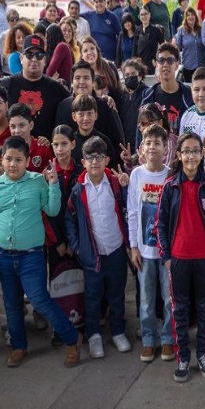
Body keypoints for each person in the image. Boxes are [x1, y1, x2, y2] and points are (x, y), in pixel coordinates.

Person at [0, 136, 82, 368]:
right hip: (3, 256)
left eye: (18, 159)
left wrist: (54, 185)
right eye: (8, 159)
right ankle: (18, 345)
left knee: (39, 298)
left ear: (27, 160)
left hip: (32, 255)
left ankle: (71, 338)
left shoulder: (38, 181)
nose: (13, 164)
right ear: (2, 160)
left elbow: (53, 208)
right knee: (11, 303)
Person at [66, 136, 131, 360]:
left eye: (98, 157)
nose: (94, 162)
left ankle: (118, 331)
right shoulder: (77, 190)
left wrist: (126, 185)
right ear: (83, 162)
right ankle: (94, 334)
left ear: (106, 160)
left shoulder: (114, 184)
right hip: (92, 255)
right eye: (89, 158)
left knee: (116, 294)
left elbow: (127, 209)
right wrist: (77, 246)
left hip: (115, 250)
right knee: (92, 296)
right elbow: (70, 220)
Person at [128, 124, 175, 364]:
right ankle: (148, 340)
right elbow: (134, 212)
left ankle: (167, 339)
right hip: (144, 252)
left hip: (167, 252)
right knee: (146, 299)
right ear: (142, 149)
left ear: (166, 149)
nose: (153, 147)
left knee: (169, 299)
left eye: (158, 143)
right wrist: (134, 246)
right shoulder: (137, 175)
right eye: (149, 143)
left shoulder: (170, 175)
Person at [1, 34, 69, 140]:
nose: (34, 59)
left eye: (39, 55)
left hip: (46, 153)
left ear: (45, 60)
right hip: (13, 151)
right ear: (21, 58)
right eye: (29, 54)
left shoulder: (57, 89)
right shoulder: (6, 85)